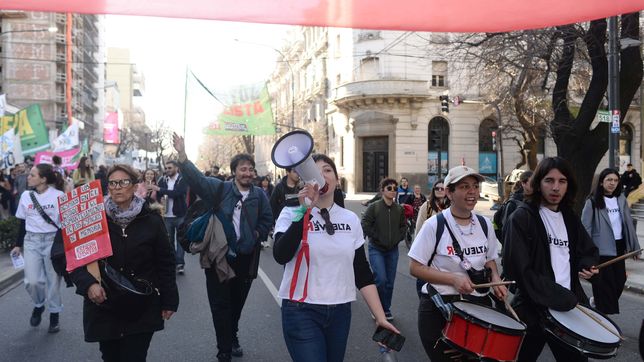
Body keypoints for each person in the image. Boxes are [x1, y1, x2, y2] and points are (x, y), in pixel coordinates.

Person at [273, 154, 399, 362]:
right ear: (306, 181)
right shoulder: (291, 213)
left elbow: (362, 273)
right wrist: (305, 211)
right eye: (314, 172)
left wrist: (380, 317)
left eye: (327, 170)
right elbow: (280, 254)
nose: (321, 176)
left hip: (340, 312)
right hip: (300, 311)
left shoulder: (350, 219)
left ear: (337, 181)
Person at [172, 133, 272, 362]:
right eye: (243, 169)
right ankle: (224, 349)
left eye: (250, 169)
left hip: (246, 258)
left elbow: (267, 219)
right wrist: (183, 156)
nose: (247, 173)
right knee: (220, 305)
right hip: (218, 257)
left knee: (236, 303)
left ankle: (232, 335)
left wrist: (256, 234)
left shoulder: (259, 195)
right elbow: (197, 179)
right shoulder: (220, 189)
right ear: (234, 171)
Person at [69, 164, 179, 362]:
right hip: (105, 304)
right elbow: (73, 259)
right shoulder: (92, 220)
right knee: (111, 357)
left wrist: (169, 300)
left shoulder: (152, 220)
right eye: (112, 183)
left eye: (123, 182)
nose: (117, 187)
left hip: (142, 304)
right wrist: (89, 284)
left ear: (135, 186)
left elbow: (165, 261)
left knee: (134, 357)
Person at [503, 157, 599, 361]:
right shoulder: (522, 217)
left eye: (562, 181)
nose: (555, 187)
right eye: (549, 180)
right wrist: (562, 297)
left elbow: (587, 250)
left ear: (568, 185)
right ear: (538, 183)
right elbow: (519, 269)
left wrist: (587, 265)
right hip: (532, 310)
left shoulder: (569, 217)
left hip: (567, 311)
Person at [408, 166, 507, 361]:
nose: (472, 192)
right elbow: (415, 267)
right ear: (449, 192)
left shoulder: (484, 224)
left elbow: (489, 260)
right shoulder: (434, 225)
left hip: (479, 307)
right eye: (464, 186)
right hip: (440, 309)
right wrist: (452, 278)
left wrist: (495, 278)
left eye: (475, 186)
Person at [10, 164, 65, 333]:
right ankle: (39, 305)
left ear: (43, 179)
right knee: (32, 281)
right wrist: (18, 245)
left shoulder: (59, 196)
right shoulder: (26, 196)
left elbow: (65, 223)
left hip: (52, 241)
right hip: (31, 241)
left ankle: (54, 314)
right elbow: (23, 222)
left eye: (32, 175)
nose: (28, 177)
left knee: (53, 281)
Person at [581, 168, 640, 314]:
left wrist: (635, 247)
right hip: (600, 249)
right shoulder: (592, 202)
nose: (612, 183)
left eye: (615, 180)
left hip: (618, 246)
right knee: (604, 285)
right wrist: (587, 252)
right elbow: (585, 228)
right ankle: (602, 315)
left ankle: (597, 302)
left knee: (620, 281)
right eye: (609, 180)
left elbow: (628, 224)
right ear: (601, 182)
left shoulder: (621, 199)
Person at [361, 178, 407, 321]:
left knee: (389, 282)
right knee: (380, 279)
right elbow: (365, 223)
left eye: (395, 188)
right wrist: (376, 237)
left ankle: (385, 309)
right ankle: (377, 309)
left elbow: (403, 227)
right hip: (376, 249)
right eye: (389, 188)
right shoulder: (374, 207)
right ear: (382, 190)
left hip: (392, 250)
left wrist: (397, 238)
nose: (393, 190)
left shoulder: (399, 209)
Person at [152, 161, 188, 274]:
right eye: (166, 168)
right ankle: (173, 262)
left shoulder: (183, 179)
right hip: (166, 215)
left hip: (180, 215)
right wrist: (159, 198)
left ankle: (180, 263)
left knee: (181, 241)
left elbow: (177, 193)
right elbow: (157, 195)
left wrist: (160, 190)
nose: (167, 170)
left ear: (176, 168)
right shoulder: (162, 180)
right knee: (169, 241)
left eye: (170, 168)